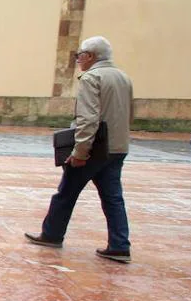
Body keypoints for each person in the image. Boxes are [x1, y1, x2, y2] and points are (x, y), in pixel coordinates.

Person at [25, 36, 133, 264]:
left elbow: (88, 119)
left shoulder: (92, 78)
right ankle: (120, 245)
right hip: (117, 147)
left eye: (79, 56)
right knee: (113, 198)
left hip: (94, 148)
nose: (78, 60)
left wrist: (80, 152)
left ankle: (52, 234)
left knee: (66, 193)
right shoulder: (123, 77)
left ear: (90, 56)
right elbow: (129, 114)